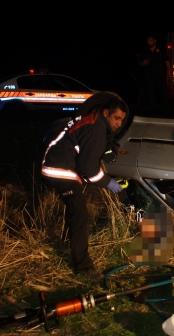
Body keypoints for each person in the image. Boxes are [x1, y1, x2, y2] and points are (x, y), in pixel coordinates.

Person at [40, 96, 129, 282]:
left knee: (76, 209)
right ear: (106, 113)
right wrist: (108, 183)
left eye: (122, 120)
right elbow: (89, 170)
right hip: (59, 170)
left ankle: (72, 243)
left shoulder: (93, 120)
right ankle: (83, 266)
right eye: (116, 118)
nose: (119, 124)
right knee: (79, 212)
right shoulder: (96, 128)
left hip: (59, 165)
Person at [136, 33, 172, 111]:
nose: (149, 42)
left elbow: (166, 60)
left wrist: (169, 71)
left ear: (154, 41)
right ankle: (152, 109)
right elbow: (139, 62)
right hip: (149, 75)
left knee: (162, 92)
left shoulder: (160, 50)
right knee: (150, 93)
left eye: (150, 40)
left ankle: (166, 109)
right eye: (148, 40)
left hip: (160, 75)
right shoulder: (145, 51)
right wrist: (143, 63)